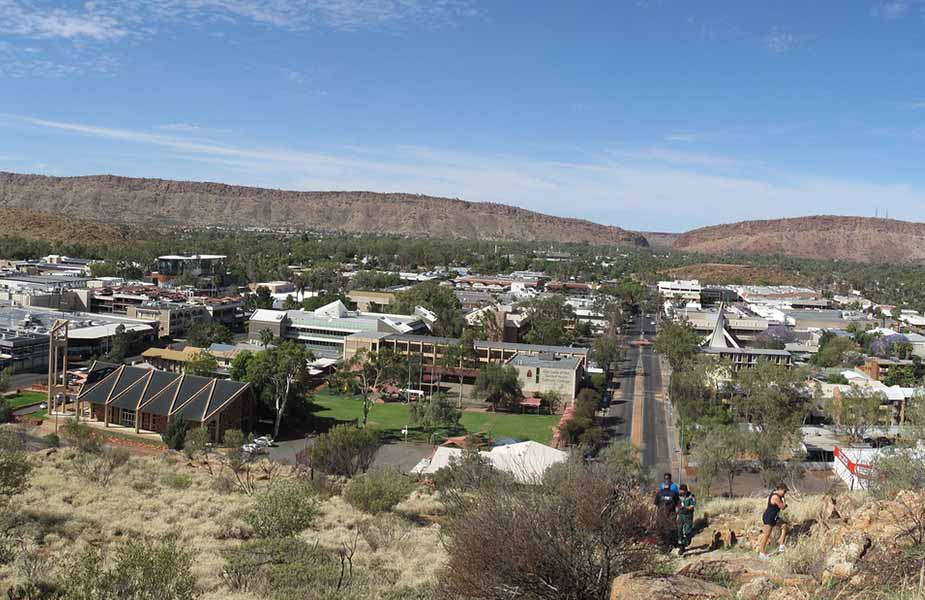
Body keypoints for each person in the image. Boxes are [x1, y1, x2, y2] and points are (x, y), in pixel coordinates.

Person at [758, 483, 790, 560]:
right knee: (766, 535)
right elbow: (782, 507)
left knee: (784, 526)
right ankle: (761, 553)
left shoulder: (778, 495)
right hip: (769, 517)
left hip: (774, 517)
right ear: (780, 489)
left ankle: (781, 545)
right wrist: (784, 501)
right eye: (784, 492)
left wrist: (783, 499)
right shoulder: (775, 497)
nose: (784, 493)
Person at [676, 484, 696, 554]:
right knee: (679, 530)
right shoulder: (678, 496)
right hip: (680, 515)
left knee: (688, 532)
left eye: (683, 491)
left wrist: (686, 508)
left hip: (688, 516)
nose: (682, 492)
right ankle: (681, 546)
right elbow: (676, 504)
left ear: (686, 490)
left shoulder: (691, 496)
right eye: (680, 491)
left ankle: (686, 542)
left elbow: (693, 506)